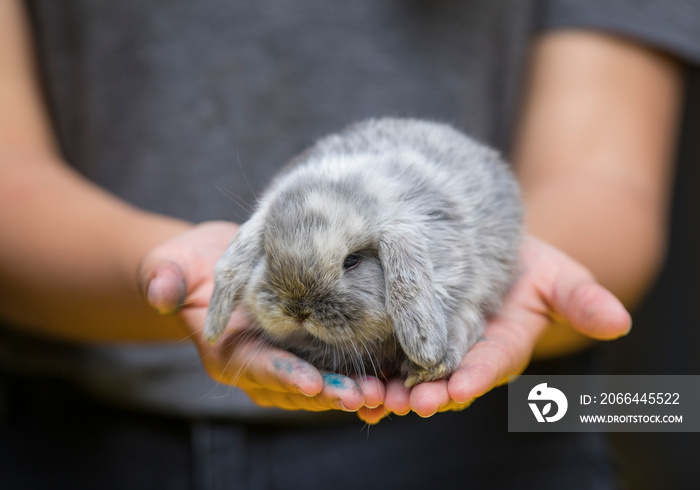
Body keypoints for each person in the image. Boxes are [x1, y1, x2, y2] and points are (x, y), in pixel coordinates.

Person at [0, 0, 697, 488]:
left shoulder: (418, 248)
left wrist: (476, 307)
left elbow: (608, 180)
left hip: (485, 446)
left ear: (400, 264)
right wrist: (161, 267)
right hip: (70, 435)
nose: (302, 311)